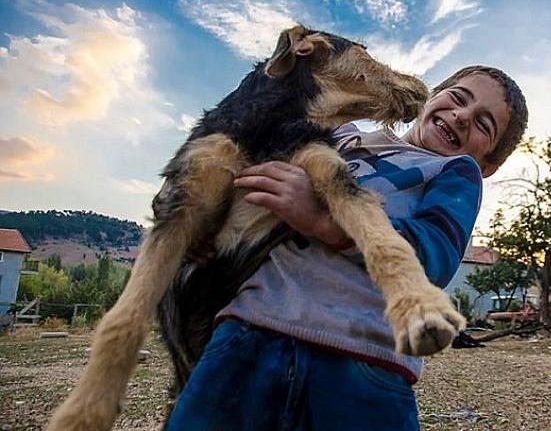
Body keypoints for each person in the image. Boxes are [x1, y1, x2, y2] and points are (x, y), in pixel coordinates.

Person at [165, 65, 528, 431]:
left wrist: (324, 220)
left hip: (362, 362)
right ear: (429, 97)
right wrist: (204, 223)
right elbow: (242, 157)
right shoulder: (338, 134)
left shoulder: (453, 171)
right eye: (458, 98)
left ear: (489, 166)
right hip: (249, 330)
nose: (462, 115)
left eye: (484, 124)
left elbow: (434, 255)